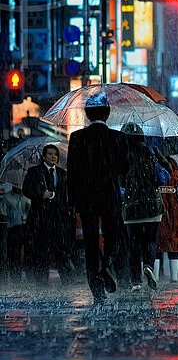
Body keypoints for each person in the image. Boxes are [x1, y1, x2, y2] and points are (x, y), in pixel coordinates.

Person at [67, 92, 130, 304]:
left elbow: (72, 173)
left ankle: (96, 284)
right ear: (108, 113)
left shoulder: (77, 138)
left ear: (87, 114)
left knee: (91, 242)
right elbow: (124, 168)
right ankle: (105, 267)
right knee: (114, 237)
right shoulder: (118, 137)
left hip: (86, 198)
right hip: (109, 196)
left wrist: (72, 200)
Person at [121, 123, 172, 293]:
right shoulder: (152, 151)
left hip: (131, 206)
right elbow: (167, 172)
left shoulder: (123, 155)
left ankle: (135, 281)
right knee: (150, 240)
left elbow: (120, 181)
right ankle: (148, 265)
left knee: (133, 245)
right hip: (152, 205)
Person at [22, 144, 74, 287]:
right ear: (43, 156)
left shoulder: (62, 173)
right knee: (42, 252)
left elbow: (67, 194)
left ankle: (67, 281)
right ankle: (41, 283)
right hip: (40, 219)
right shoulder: (34, 172)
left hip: (59, 219)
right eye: (50, 154)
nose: (53, 157)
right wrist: (41, 194)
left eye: (55, 154)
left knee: (62, 252)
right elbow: (26, 190)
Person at [154, 156, 178, 283]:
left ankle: (155, 276)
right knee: (174, 244)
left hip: (158, 212)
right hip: (174, 215)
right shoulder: (177, 175)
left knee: (157, 244)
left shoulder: (156, 173)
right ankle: (174, 277)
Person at [0, 183, 31, 283]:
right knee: (14, 254)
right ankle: (15, 278)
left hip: (27, 228)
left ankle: (32, 277)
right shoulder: (6, 197)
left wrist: (30, 209)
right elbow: (2, 214)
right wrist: (10, 215)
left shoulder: (28, 197)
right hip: (14, 228)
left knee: (29, 253)